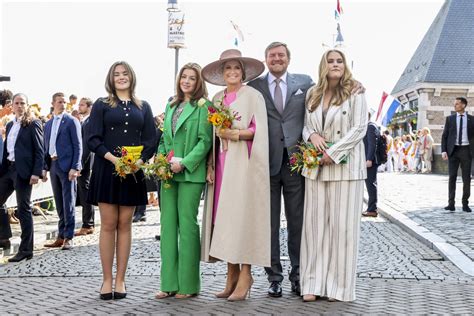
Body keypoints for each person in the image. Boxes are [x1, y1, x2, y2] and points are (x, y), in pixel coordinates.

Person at [201, 49, 270, 301]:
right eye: (227, 68)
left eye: (236, 68)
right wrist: (209, 165)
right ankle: (230, 273)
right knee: (225, 218)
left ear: (242, 72)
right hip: (221, 166)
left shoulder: (253, 96)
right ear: (222, 73)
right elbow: (211, 136)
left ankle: (246, 275)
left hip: (243, 164)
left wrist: (236, 134)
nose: (232, 72)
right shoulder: (217, 99)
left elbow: (259, 131)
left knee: (243, 217)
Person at [300, 49, 367, 302]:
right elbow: (307, 125)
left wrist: (334, 152)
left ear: (345, 65)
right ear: (323, 65)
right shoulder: (312, 94)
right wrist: (312, 137)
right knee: (314, 230)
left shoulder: (356, 92)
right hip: (315, 167)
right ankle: (312, 284)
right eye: (331, 61)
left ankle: (338, 288)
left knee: (343, 230)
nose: (335, 64)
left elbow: (360, 128)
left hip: (346, 170)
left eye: (339, 61)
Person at [247, 42, 313, 297]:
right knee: (269, 225)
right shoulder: (255, 86)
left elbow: (329, 92)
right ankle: (273, 277)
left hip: (296, 163)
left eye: (281, 55)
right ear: (265, 59)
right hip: (266, 163)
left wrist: (354, 86)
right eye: (272, 55)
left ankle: (298, 275)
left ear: (289, 58)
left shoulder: (306, 83)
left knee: (297, 223)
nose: (276, 59)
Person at [87, 61, 156, 300]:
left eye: (125, 73)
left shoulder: (143, 106)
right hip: (108, 170)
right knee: (108, 224)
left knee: (125, 224)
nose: (121, 77)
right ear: (111, 78)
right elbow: (93, 138)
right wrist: (113, 159)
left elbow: (150, 139)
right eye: (116, 74)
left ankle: (121, 280)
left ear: (132, 77)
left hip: (133, 172)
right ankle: (106, 279)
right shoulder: (101, 105)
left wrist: (140, 162)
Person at [154, 63, 212, 299]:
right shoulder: (171, 105)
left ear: (199, 82)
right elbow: (163, 139)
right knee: (167, 226)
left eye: (192, 78)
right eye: (184, 77)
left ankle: (188, 285)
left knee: (187, 226)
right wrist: (159, 162)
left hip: (189, 172)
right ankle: (168, 283)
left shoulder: (204, 107)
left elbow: (205, 141)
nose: (187, 81)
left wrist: (184, 163)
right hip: (168, 173)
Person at [0, 93, 44, 261]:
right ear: (12, 105)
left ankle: (26, 250)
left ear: (27, 105)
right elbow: (7, 150)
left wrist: (36, 172)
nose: (19, 106)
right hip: (8, 169)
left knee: (23, 208)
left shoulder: (33, 123)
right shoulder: (10, 125)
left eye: (22, 103)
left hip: (24, 172)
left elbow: (40, 150)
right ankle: (4, 237)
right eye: (16, 103)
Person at [43, 92, 82, 251]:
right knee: (59, 202)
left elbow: (78, 145)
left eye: (64, 102)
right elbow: (45, 147)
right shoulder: (48, 124)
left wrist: (76, 166)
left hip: (67, 166)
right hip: (53, 165)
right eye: (59, 102)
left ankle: (69, 237)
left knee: (69, 203)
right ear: (53, 103)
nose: (63, 104)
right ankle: (60, 235)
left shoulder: (72, 121)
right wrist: (44, 168)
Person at [441, 97, 473, 213]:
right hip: (453, 151)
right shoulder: (450, 119)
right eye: (454, 104)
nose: (455, 106)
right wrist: (444, 151)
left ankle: (465, 204)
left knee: (466, 178)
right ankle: (451, 204)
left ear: (463, 105)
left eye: (457, 104)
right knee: (452, 177)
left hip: (466, 151)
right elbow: (445, 136)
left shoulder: (471, 119)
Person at [75, 97, 95, 236]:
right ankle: (88, 222)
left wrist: (80, 164)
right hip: (85, 160)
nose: (79, 107)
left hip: (85, 161)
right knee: (84, 191)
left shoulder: (89, 122)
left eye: (81, 105)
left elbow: (86, 145)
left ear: (88, 106)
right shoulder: (85, 120)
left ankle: (88, 224)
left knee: (85, 191)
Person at [362, 112, 379, 217]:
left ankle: (372, 209)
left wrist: (369, 159)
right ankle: (371, 208)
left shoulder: (370, 127)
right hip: (370, 160)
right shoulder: (370, 126)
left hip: (370, 161)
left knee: (371, 185)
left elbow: (372, 144)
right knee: (370, 184)